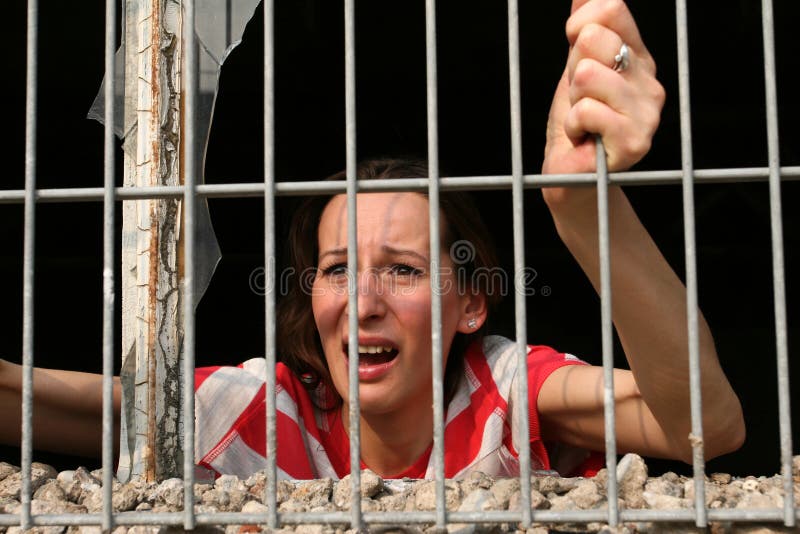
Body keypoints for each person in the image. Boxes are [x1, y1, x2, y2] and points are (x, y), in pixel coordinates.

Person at [0, 0, 744, 480]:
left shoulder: (505, 387)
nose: (363, 302)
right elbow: (45, 404)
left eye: (405, 271)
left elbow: (706, 427)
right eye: (337, 269)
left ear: (472, 304)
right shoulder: (269, 406)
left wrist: (583, 212)